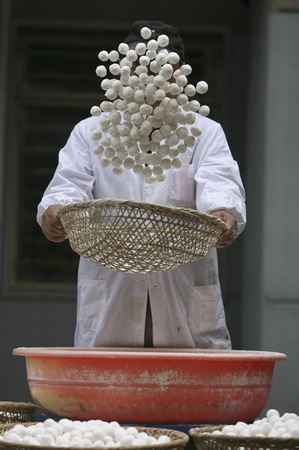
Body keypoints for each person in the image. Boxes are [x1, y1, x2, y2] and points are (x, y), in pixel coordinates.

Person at [37, 20, 246, 349]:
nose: (152, 80)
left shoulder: (203, 132)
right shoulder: (92, 131)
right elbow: (68, 186)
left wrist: (224, 213)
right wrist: (56, 213)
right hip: (113, 289)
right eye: (141, 69)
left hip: (183, 294)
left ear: (179, 75)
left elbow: (220, 182)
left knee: (188, 392)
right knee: (108, 389)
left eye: (164, 70)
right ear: (124, 73)